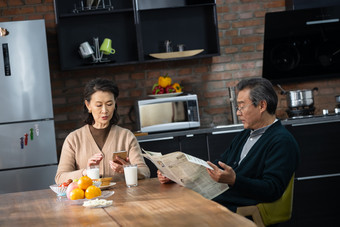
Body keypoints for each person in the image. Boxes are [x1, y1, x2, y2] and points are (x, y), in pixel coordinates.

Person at [157, 77, 300, 212]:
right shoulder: (245, 135)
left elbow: (272, 190)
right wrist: (178, 175)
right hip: (221, 200)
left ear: (262, 105)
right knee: (171, 201)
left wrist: (234, 180)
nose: (238, 113)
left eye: (242, 107)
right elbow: (219, 166)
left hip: (240, 209)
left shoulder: (282, 141)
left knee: (177, 208)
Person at [55, 78, 150, 184]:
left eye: (109, 104)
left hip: (123, 198)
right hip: (89, 199)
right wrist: (85, 172)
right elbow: (60, 178)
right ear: (88, 105)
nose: (104, 110)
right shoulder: (73, 139)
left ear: (115, 104)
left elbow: (145, 172)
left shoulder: (126, 136)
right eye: (99, 105)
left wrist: (127, 169)